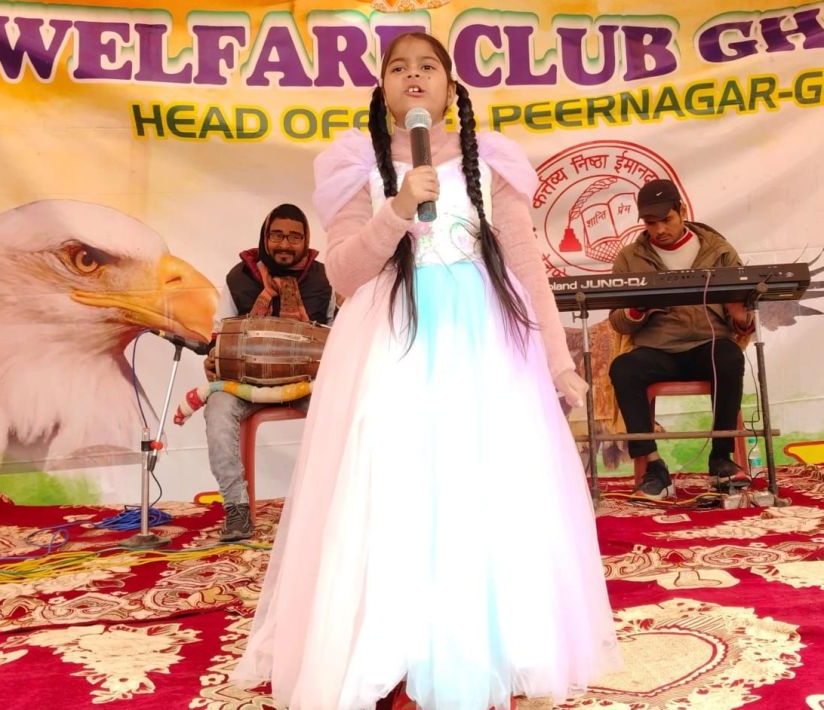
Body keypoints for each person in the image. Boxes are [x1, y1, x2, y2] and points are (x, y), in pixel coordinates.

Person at [234, 32, 618, 710]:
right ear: (383, 87)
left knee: (484, 484)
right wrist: (397, 209)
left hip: (485, 343)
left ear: (450, 85)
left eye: (428, 67)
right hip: (394, 342)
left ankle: (493, 644)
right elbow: (344, 273)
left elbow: (526, 264)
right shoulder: (355, 162)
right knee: (395, 484)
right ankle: (393, 645)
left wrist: (558, 360)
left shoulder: (491, 159)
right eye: (399, 68)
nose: (414, 77)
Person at [608, 179, 753, 499]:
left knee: (730, 357)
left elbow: (743, 323)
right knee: (623, 368)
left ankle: (721, 458)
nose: (659, 229)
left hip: (707, 345)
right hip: (656, 350)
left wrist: (741, 316)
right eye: (650, 222)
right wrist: (637, 308)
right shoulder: (630, 258)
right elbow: (618, 322)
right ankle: (654, 467)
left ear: (682, 211)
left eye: (666, 219)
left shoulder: (719, 250)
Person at [203, 203, 334, 542]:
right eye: (277, 235)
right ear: (264, 237)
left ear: (306, 240)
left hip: (304, 384)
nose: (285, 244)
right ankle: (236, 508)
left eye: (294, 237)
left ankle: (330, 503)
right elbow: (218, 334)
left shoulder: (325, 278)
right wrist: (213, 357)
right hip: (244, 385)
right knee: (217, 410)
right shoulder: (238, 278)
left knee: (339, 410)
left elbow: (337, 334)